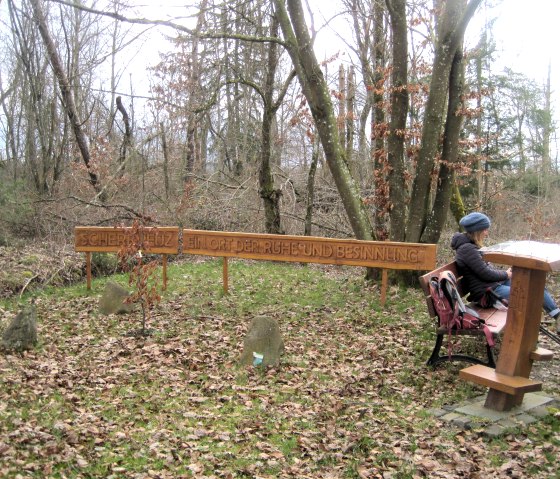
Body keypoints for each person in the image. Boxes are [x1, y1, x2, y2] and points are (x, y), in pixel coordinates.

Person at [451, 212, 560, 333]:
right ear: (477, 231)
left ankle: (557, 316)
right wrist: (506, 274)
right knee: (531, 293)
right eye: (485, 230)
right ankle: (530, 333)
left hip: (492, 287)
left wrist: (505, 274)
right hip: (487, 295)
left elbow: (485, 270)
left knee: (535, 286)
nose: (487, 233)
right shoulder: (467, 249)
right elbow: (485, 273)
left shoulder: (470, 246)